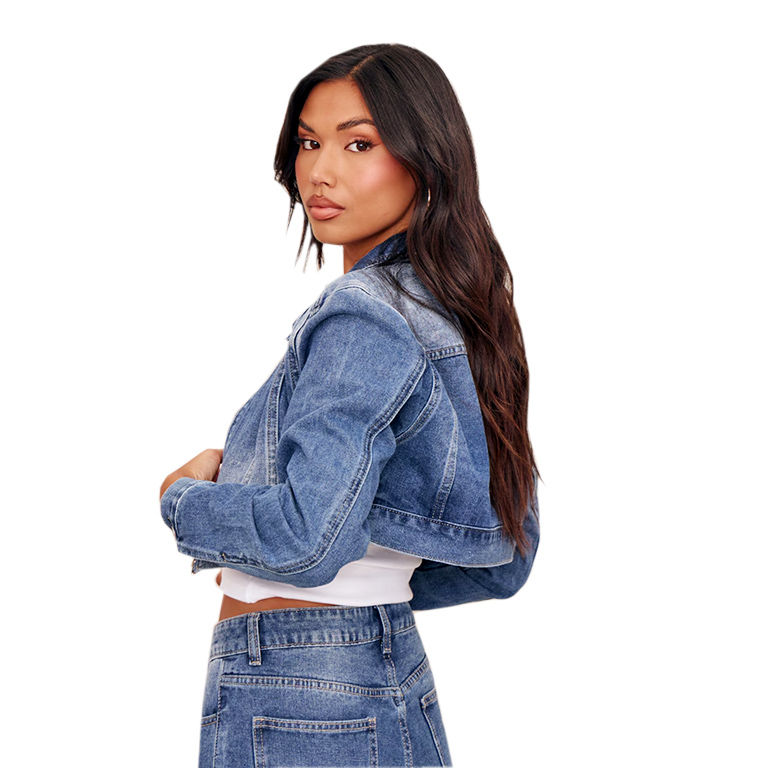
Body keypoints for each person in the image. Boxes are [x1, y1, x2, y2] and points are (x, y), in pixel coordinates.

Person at [159, 42, 541, 768]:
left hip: (298, 691)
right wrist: (365, 582)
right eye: (309, 142)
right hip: (384, 668)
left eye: (358, 143)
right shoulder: (461, 308)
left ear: (426, 159)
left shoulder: (363, 314)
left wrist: (183, 500)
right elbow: (503, 558)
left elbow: (307, 539)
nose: (320, 171)